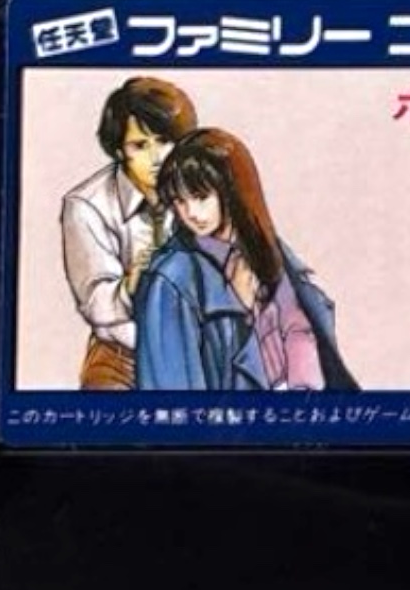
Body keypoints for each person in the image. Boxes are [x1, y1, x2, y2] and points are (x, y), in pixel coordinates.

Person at [135, 128, 358, 392]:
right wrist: (242, 311)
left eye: (201, 197)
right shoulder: (172, 279)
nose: (191, 212)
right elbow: (171, 392)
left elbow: (297, 325)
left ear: (230, 191)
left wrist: (303, 393)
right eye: (179, 201)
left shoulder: (265, 248)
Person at [61, 78, 198, 389]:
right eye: (140, 145)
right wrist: (131, 285)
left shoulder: (200, 189)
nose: (157, 157)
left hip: (195, 350)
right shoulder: (87, 205)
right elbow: (95, 303)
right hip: (123, 356)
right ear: (119, 150)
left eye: (164, 141)